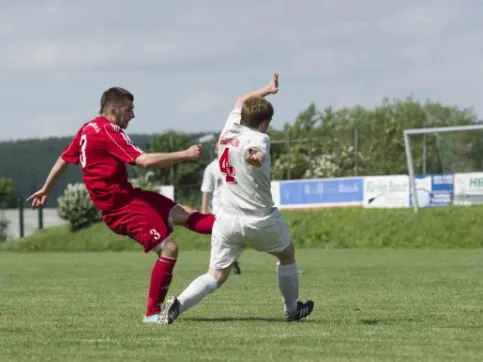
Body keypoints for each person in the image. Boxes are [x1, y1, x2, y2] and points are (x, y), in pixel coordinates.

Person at [27, 87, 216, 323]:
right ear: (114, 111)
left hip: (130, 197)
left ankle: (232, 227)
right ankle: (152, 314)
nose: (133, 116)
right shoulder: (109, 132)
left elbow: (64, 159)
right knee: (169, 249)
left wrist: (47, 188)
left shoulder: (88, 128)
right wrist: (185, 154)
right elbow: (144, 162)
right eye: (129, 110)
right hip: (120, 209)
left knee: (185, 213)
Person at [159, 73, 315, 324]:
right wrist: (255, 158)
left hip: (226, 220)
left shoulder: (229, 129)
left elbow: (241, 99)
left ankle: (177, 304)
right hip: (259, 219)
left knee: (215, 275)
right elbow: (257, 152)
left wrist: (265, 89)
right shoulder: (259, 137)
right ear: (264, 123)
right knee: (286, 255)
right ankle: (292, 310)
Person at [201, 141, 241, 274]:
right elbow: (207, 189)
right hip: (218, 205)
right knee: (219, 233)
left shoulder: (234, 164)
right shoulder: (211, 168)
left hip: (234, 203)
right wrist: (204, 208)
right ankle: (219, 262)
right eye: (219, 146)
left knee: (235, 231)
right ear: (215, 149)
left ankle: (231, 257)